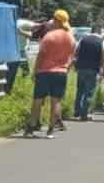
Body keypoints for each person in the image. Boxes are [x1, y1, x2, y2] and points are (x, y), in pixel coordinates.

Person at [24, 10, 75, 138]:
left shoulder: (49, 36)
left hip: (44, 72)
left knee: (37, 101)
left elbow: (41, 56)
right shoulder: (71, 37)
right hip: (61, 72)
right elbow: (72, 57)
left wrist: (35, 71)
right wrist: (66, 67)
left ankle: (30, 128)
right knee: (56, 101)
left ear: (56, 21)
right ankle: (50, 130)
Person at [73, 25, 104, 121]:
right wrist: (103, 70)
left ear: (91, 31)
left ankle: (77, 111)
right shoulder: (102, 42)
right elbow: (103, 57)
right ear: (100, 32)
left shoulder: (83, 39)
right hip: (93, 69)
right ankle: (84, 114)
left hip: (81, 68)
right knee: (89, 92)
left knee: (80, 90)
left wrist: (75, 65)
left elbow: (76, 52)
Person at [6, 18, 35, 93]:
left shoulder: (15, 22)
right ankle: (12, 88)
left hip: (14, 50)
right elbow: (34, 33)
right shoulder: (24, 23)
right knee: (20, 71)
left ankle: (17, 87)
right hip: (17, 50)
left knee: (13, 72)